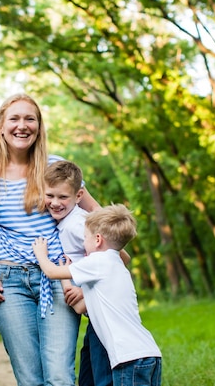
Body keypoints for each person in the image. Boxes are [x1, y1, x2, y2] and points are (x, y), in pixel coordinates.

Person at [0, 93, 100, 386]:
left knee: (59, 376)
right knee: (29, 379)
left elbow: (99, 220)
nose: (22, 125)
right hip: (9, 282)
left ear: (39, 127)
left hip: (57, 279)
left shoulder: (55, 167)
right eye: (14, 119)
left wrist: (89, 274)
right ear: (0, 126)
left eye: (30, 119)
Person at [33, 204, 163, 386]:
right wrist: (66, 278)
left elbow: (51, 272)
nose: (83, 243)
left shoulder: (97, 261)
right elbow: (79, 307)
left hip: (128, 357)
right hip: (149, 354)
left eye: (85, 238)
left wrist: (41, 255)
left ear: (98, 240)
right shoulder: (115, 264)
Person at [44, 160, 131, 386]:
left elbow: (121, 258)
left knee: (103, 376)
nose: (55, 203)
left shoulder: (79, 224)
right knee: (89, 375)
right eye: (50, 196)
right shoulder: (66, 222)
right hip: (96, 317)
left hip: (104, 314)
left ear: (79, 195)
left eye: (63, 197)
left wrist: (84, 290)